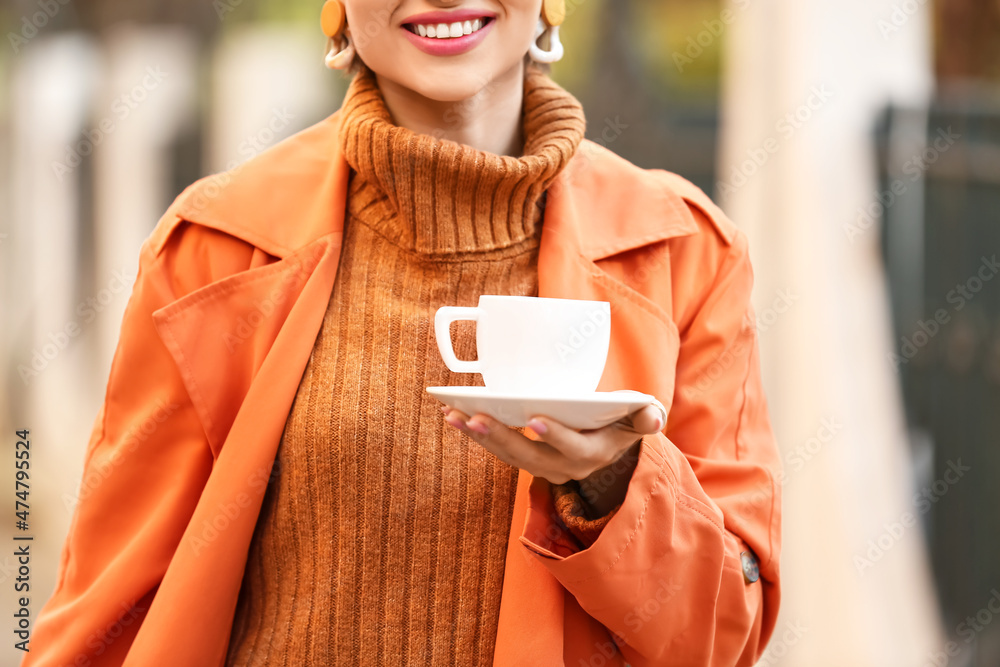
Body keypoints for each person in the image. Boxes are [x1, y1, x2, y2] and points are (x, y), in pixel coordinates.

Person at [22, 1, 782, 665]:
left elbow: (725, 635)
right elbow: (107, 613)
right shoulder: (213, 248)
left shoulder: (686, 254)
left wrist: (616, 482)